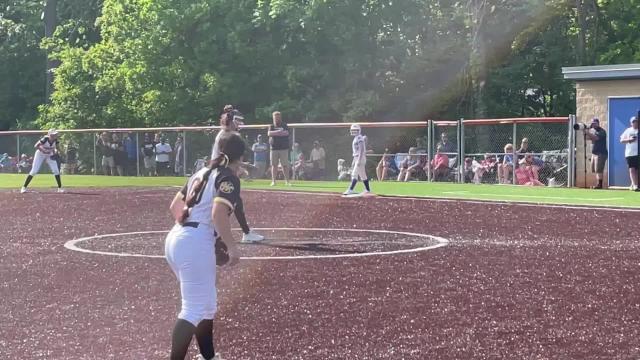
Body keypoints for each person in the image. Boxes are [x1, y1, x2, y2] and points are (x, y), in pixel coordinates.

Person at [164, 131, 245, 360]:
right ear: (240, 156)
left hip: (178, 237)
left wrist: (191, 232)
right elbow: (218, 213)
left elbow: (175, 207)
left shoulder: (201, 172)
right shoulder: (227, 177)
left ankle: (208, 357)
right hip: (195, 241)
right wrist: (231, 246)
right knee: (192, 309)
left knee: (206, 305)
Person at [211, 107, 264, 243]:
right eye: (237, 121)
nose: (239, 124)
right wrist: (246, 167)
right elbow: (226, 159)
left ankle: (244, 232)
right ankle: (222, 232)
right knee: (229, 204)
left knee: (234, 203)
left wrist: (242, 168)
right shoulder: (226, 136)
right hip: (219, 173)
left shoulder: (227, 134)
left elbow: (230, 160)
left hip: (220, 171)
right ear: (231, 121)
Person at [343, 124, 372, 195]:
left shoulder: (359, 137)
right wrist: (355, 160)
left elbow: (361, 149)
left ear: (359, 130)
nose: (354, 131)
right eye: (353, 130)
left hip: (360, 158)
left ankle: (350, 189)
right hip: (358, 157)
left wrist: (358, 160)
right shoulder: (356, 138)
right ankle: (367, 189)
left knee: (354, 174)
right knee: (362, 175)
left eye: (355, 130)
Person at [268, 111, 291, 186]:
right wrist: (279, 132)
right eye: (275, 117)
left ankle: (287, 181)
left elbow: (286, 133)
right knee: (274, 165)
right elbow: (269, 133)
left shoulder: (284, 125)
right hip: (274, 148)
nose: (276, 119)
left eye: (278, 117)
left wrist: (276, 133)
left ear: (280, 117)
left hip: (283, 148)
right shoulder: (271, 126)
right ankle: (273, 181)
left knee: (285, 165)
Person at [584, 117, 608, 189]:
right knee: (595, 169)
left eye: (595, 123)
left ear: (598, 123)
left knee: (599, 169)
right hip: (594, 153)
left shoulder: (602, 131)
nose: (593, 125)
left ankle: (599, 185)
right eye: (592, 124)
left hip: (601, 153)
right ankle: (598, 184)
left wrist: (588, 132)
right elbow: (587, 138)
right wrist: (585, 131)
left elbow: (596, 138)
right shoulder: (593, 131)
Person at [620, 116, 639, 191]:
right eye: (633, 122)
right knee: (631, 169)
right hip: (629, 153)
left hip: (638, 153)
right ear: (631, 123)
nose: (635, 123)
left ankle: (633, 184)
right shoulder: (628, 130)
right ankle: (635, 185)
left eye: (636, 121)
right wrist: (629, 140)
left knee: (636, 170)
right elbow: (621, 140)